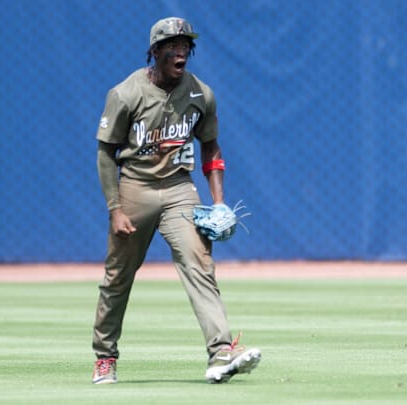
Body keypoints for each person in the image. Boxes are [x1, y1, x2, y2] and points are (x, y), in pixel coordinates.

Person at [91, 16, 261, 384]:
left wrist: (218, 203)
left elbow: (211, 147)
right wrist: (115, 209)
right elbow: (106, 153)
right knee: (118, 277)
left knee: (199, 264)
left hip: (180, 189)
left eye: (185, 45)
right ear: (155, 52)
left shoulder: (201, 93)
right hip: (135, 187)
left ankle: (220, 352)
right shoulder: (126, 94)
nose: (180, 51)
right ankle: (105, 356)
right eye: (172, 45)